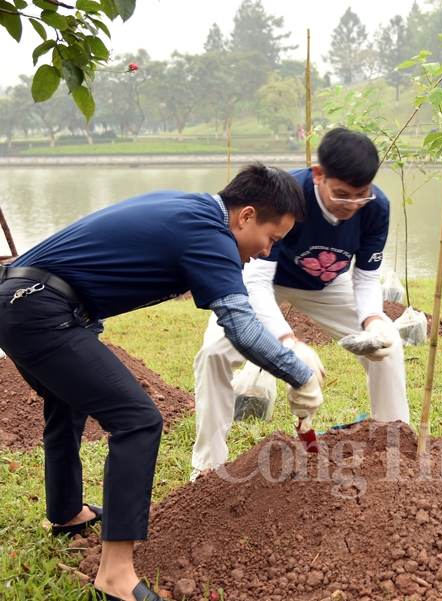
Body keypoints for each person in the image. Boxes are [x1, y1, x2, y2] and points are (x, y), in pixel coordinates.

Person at [0, 164, 316, 601]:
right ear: (245, 216)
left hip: (23, 300)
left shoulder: (189, 207)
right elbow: (240, 327)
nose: (265, 252)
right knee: (138, 420)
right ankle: (116, 576)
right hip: (39, 309)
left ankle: (66, 512)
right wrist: (300, 374)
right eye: (271, 239)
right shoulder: (211, 236)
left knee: (66, 400)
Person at [191, 127, 410, 479]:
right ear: (318, 174)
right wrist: (288, 343)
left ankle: (394, 446)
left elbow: (366, 277)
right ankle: (208, 468)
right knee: (214, 353)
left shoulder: (375, 207)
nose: (351, 205)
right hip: (266, 279)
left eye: (361, 195)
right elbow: (257, 281)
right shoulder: (287, 195)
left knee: (390, 346)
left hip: (326, 283)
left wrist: (373, 321)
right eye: (341, 194)